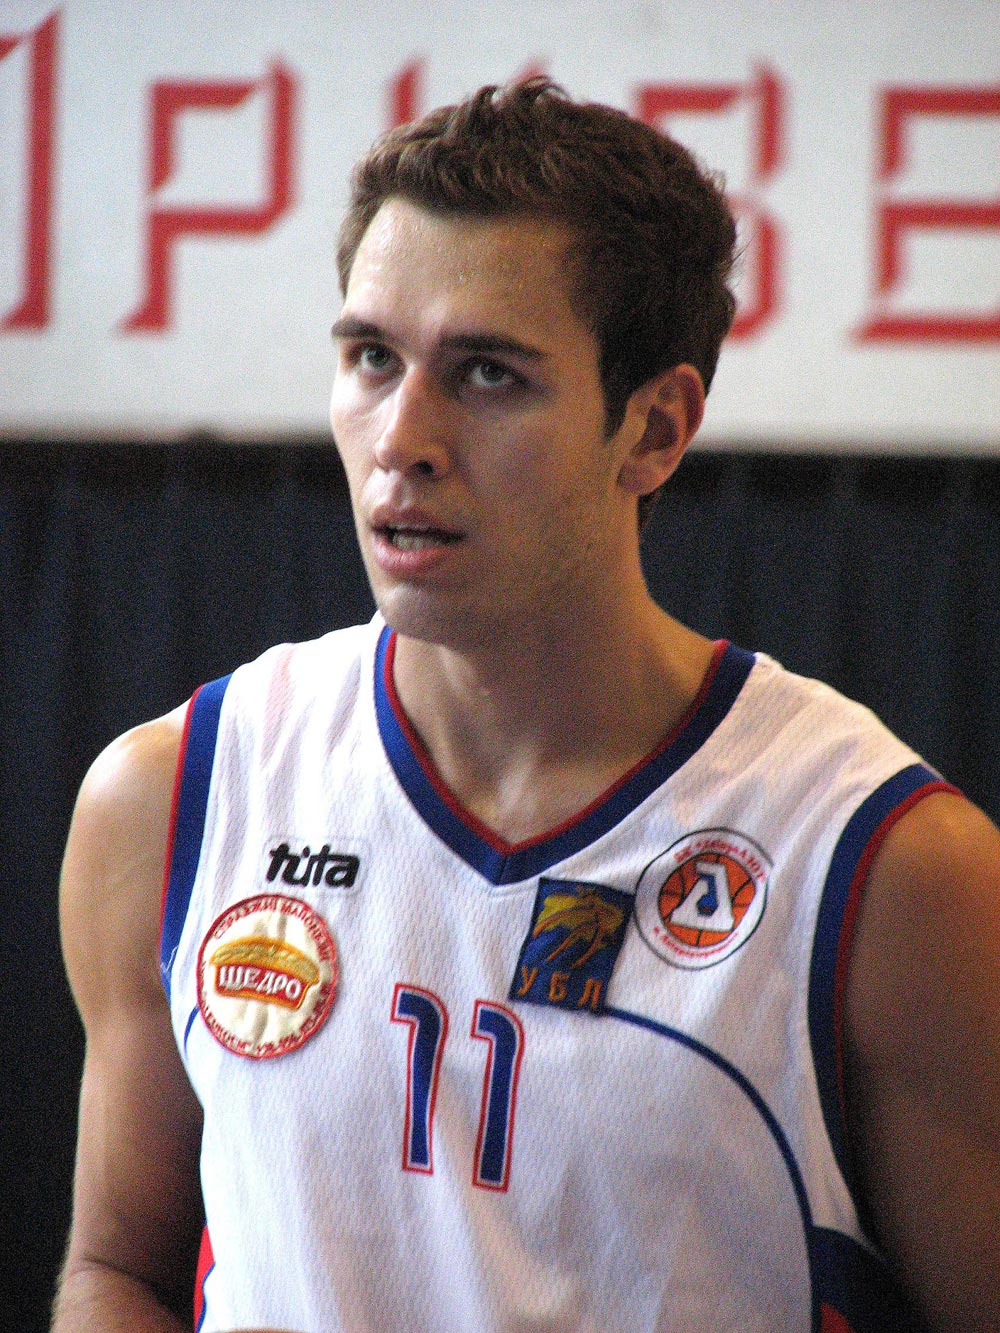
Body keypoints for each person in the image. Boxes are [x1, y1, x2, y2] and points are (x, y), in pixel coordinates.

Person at [54, 79, 1000, 1333]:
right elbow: (116, 1270)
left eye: (488, 374)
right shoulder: (173, 793)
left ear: (654, 428)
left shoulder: (887, 867)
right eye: (371, 358)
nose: (402, 437)